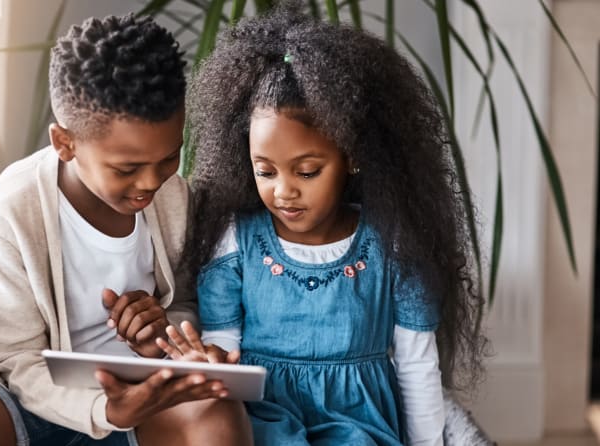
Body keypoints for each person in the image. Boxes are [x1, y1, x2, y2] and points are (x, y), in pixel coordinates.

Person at [0, 13, 252, 446]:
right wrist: (103, 410)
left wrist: (160, 334)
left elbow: (184, 301)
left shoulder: (174, 198)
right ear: (64, 143)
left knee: (216, 417)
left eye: (169, 158)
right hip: (26, 395)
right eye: (126, 168)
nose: (151, 182)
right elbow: (16, 359)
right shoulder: (8, 212)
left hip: (139, 395)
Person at [158, 4, 488, 446]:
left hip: (358, 424)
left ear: (351, 157)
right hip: (261, 417)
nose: (284, 191)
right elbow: (224, 350)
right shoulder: (236, 239)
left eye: (307, 171)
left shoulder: (393, 243)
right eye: (265, 171)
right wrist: (209, 359)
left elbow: (415, 363)